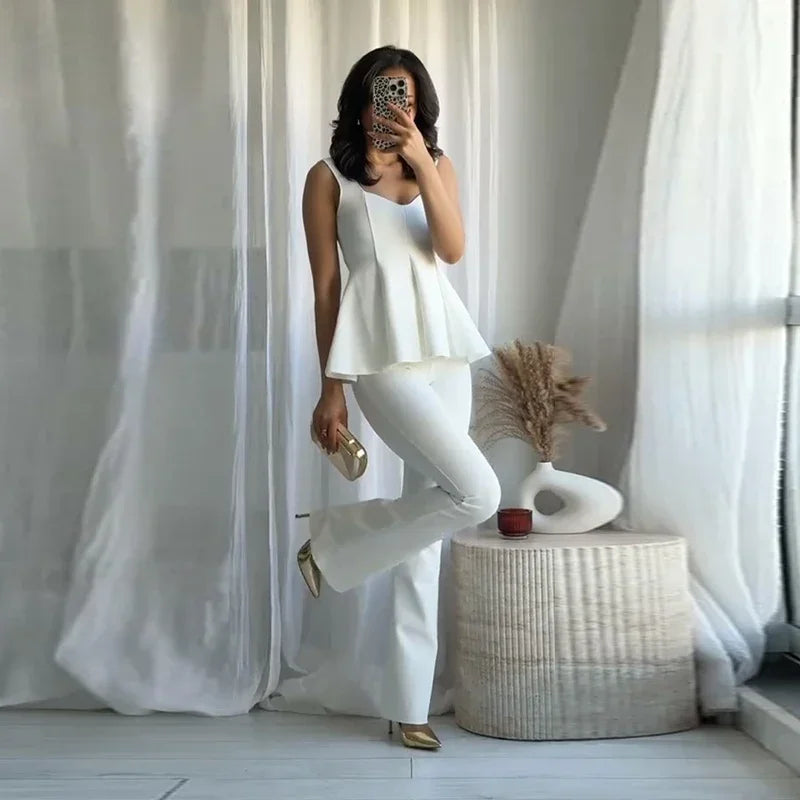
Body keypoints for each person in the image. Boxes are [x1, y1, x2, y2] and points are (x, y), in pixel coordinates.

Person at [295, 45, 501, 750]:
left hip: (446, 356)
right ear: (362, 101)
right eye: (389, 95)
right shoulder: (328, 180)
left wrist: (422, 161)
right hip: (380, 359)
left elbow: (451, 249)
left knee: (430, 535)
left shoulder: (434, 167)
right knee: (477, 492)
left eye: (409, 97)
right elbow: (326, 290)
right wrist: (333, 389)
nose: (399, 107)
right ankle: (332, 543)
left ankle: (409, 704)